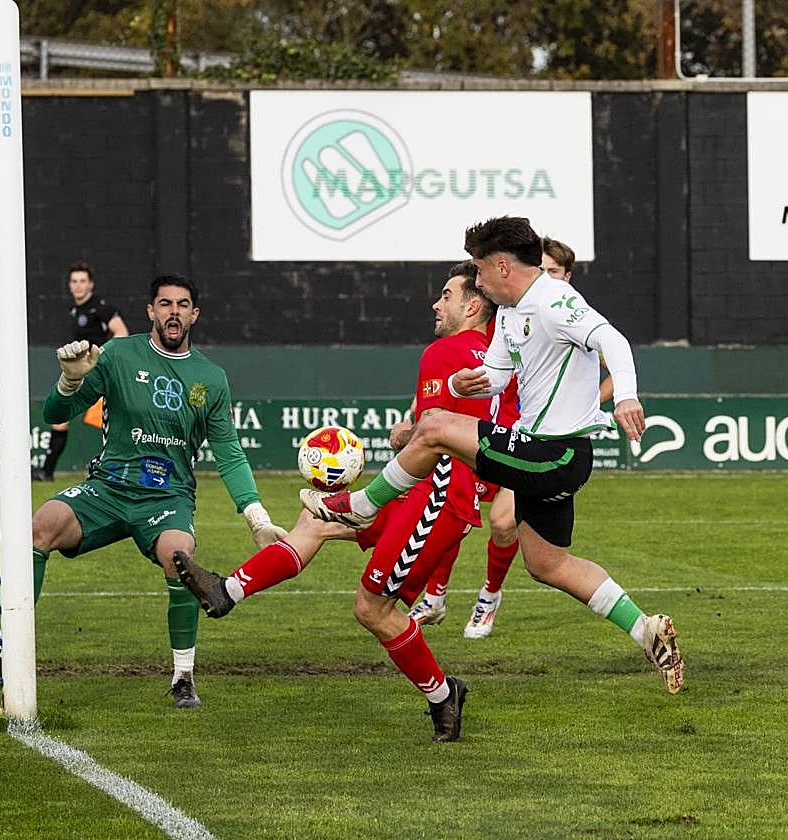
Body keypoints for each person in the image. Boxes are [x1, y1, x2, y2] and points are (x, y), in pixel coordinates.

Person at [302, 216, 685, 694]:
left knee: (436, 426)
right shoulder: (510, 313)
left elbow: (613, 340)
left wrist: (626, 396)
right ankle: (645, 629)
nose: (477, 283)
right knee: (548, 564)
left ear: (502, 267)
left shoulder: (553, 300)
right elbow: (499, 375)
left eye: (480, 271)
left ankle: (361, 506)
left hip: (556, 453)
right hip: (542, 455)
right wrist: (469, 381)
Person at [172, 261, 508, 741]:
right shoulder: (497, 357)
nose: (437, 303)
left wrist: (404, 436)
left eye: (447, 295)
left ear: (473, 305)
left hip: (436, 498)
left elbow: (429, 435)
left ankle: (443, 695)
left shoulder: (444, 351)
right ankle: (227, 591)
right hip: (432, 493)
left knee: (372, 609)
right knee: (314, 519)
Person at [0, 274, 286, 707]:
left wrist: (256, 518)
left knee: (180, 558)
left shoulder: (211, 379)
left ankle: (183, 678)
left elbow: (230, 453)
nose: (173, 312)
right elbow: (56, 411)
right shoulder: (116, 355)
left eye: (182, 304)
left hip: (167, 499)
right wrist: (69, 383)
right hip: (107, 488)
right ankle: (5, 654)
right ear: (150, 311)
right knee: (39, 529)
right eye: (164, 304)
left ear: (195, 314)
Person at [409, 235, 612, 641]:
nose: (546, 278)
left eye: (554, 273)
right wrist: (459, 385)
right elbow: (492, 376)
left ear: (565, 277)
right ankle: (436, 594)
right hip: (513, 436)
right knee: (538, 560)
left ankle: (488, 596)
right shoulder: (509, 319)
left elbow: (610, 352)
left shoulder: (561, 310)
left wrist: (607, 402)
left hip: (541, 445)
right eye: (543, 270)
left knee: (501, 522)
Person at [33, 261, 129, 482]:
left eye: (82, 281)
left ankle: (118, 471)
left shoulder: (101, 308)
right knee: (60, 418)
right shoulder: (75, 310)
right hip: (84, 373)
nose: (78, 286)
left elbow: (122, 333)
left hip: (102, 373)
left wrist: (100, 361)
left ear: (91, 285)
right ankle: (47, 472)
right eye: (74, 281)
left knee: (111, 421)